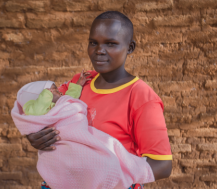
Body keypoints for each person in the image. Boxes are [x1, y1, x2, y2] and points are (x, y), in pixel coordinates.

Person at [26, 11, 172, 189]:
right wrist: (35, 136)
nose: (99, 51)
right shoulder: (79, 83)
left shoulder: (140, 96)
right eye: (93, 43)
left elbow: (163, 166)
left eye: (111, 43)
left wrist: (104, 175)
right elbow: (43, 114)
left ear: (130, 47)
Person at [11, 72, 154, 188]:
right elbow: (35, 114)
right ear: (41, 94)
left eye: (56, 89)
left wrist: (78, 84)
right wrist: (48, 95)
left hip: (76, 129)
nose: (58, 92)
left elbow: (70, 98)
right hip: (59, 142)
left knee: (106, 148)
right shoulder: (36, 106)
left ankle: (119, 170)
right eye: (53, 89)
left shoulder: (61, 101)